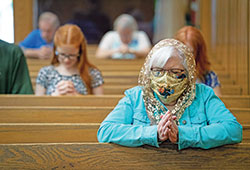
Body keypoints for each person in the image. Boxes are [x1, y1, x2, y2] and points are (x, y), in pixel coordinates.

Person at [97, 39, 242, 150]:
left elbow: (233, 130)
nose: (166, 79)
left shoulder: (203, 94)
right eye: (158, 72)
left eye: (175, 72)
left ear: (187, 73)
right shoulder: (135, 96)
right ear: (149, 72)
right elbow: (106, 131)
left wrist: (183, 135)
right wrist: (153, 134)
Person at [35, 24, 104, 96]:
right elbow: (38, 104)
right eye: (62, 54)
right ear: (55, 50)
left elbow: (100, 104)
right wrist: (54, 96)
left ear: (80, 52)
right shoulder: (46, 73)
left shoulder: (93, 74)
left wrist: (76, 96)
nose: (66, 60)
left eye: (72, 55)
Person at [174, 26, 222, 96]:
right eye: (182, 53)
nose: (186, 57)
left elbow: (217, 102)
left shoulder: (209, 77)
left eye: (191, 53)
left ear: (198, 53)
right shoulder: (168, 75)